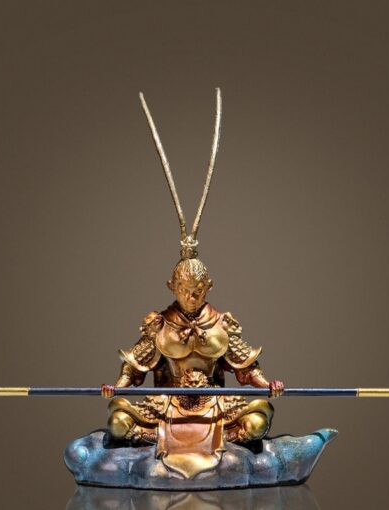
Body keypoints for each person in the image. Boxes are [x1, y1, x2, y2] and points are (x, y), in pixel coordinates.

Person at [101, 90, 283, 478]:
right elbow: (134, 371)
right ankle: (156, 441)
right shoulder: (159, 325)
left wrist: (268, 384)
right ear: (172, 286)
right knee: (117, 420)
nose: (191, 297)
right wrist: (116, 387)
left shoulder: (222, 324)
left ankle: (223, 442)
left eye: (198, 291)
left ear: (209, 287)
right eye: (184, 290)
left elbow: (247, 369)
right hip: (166, 406)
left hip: (215, 406)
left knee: (258, 419)